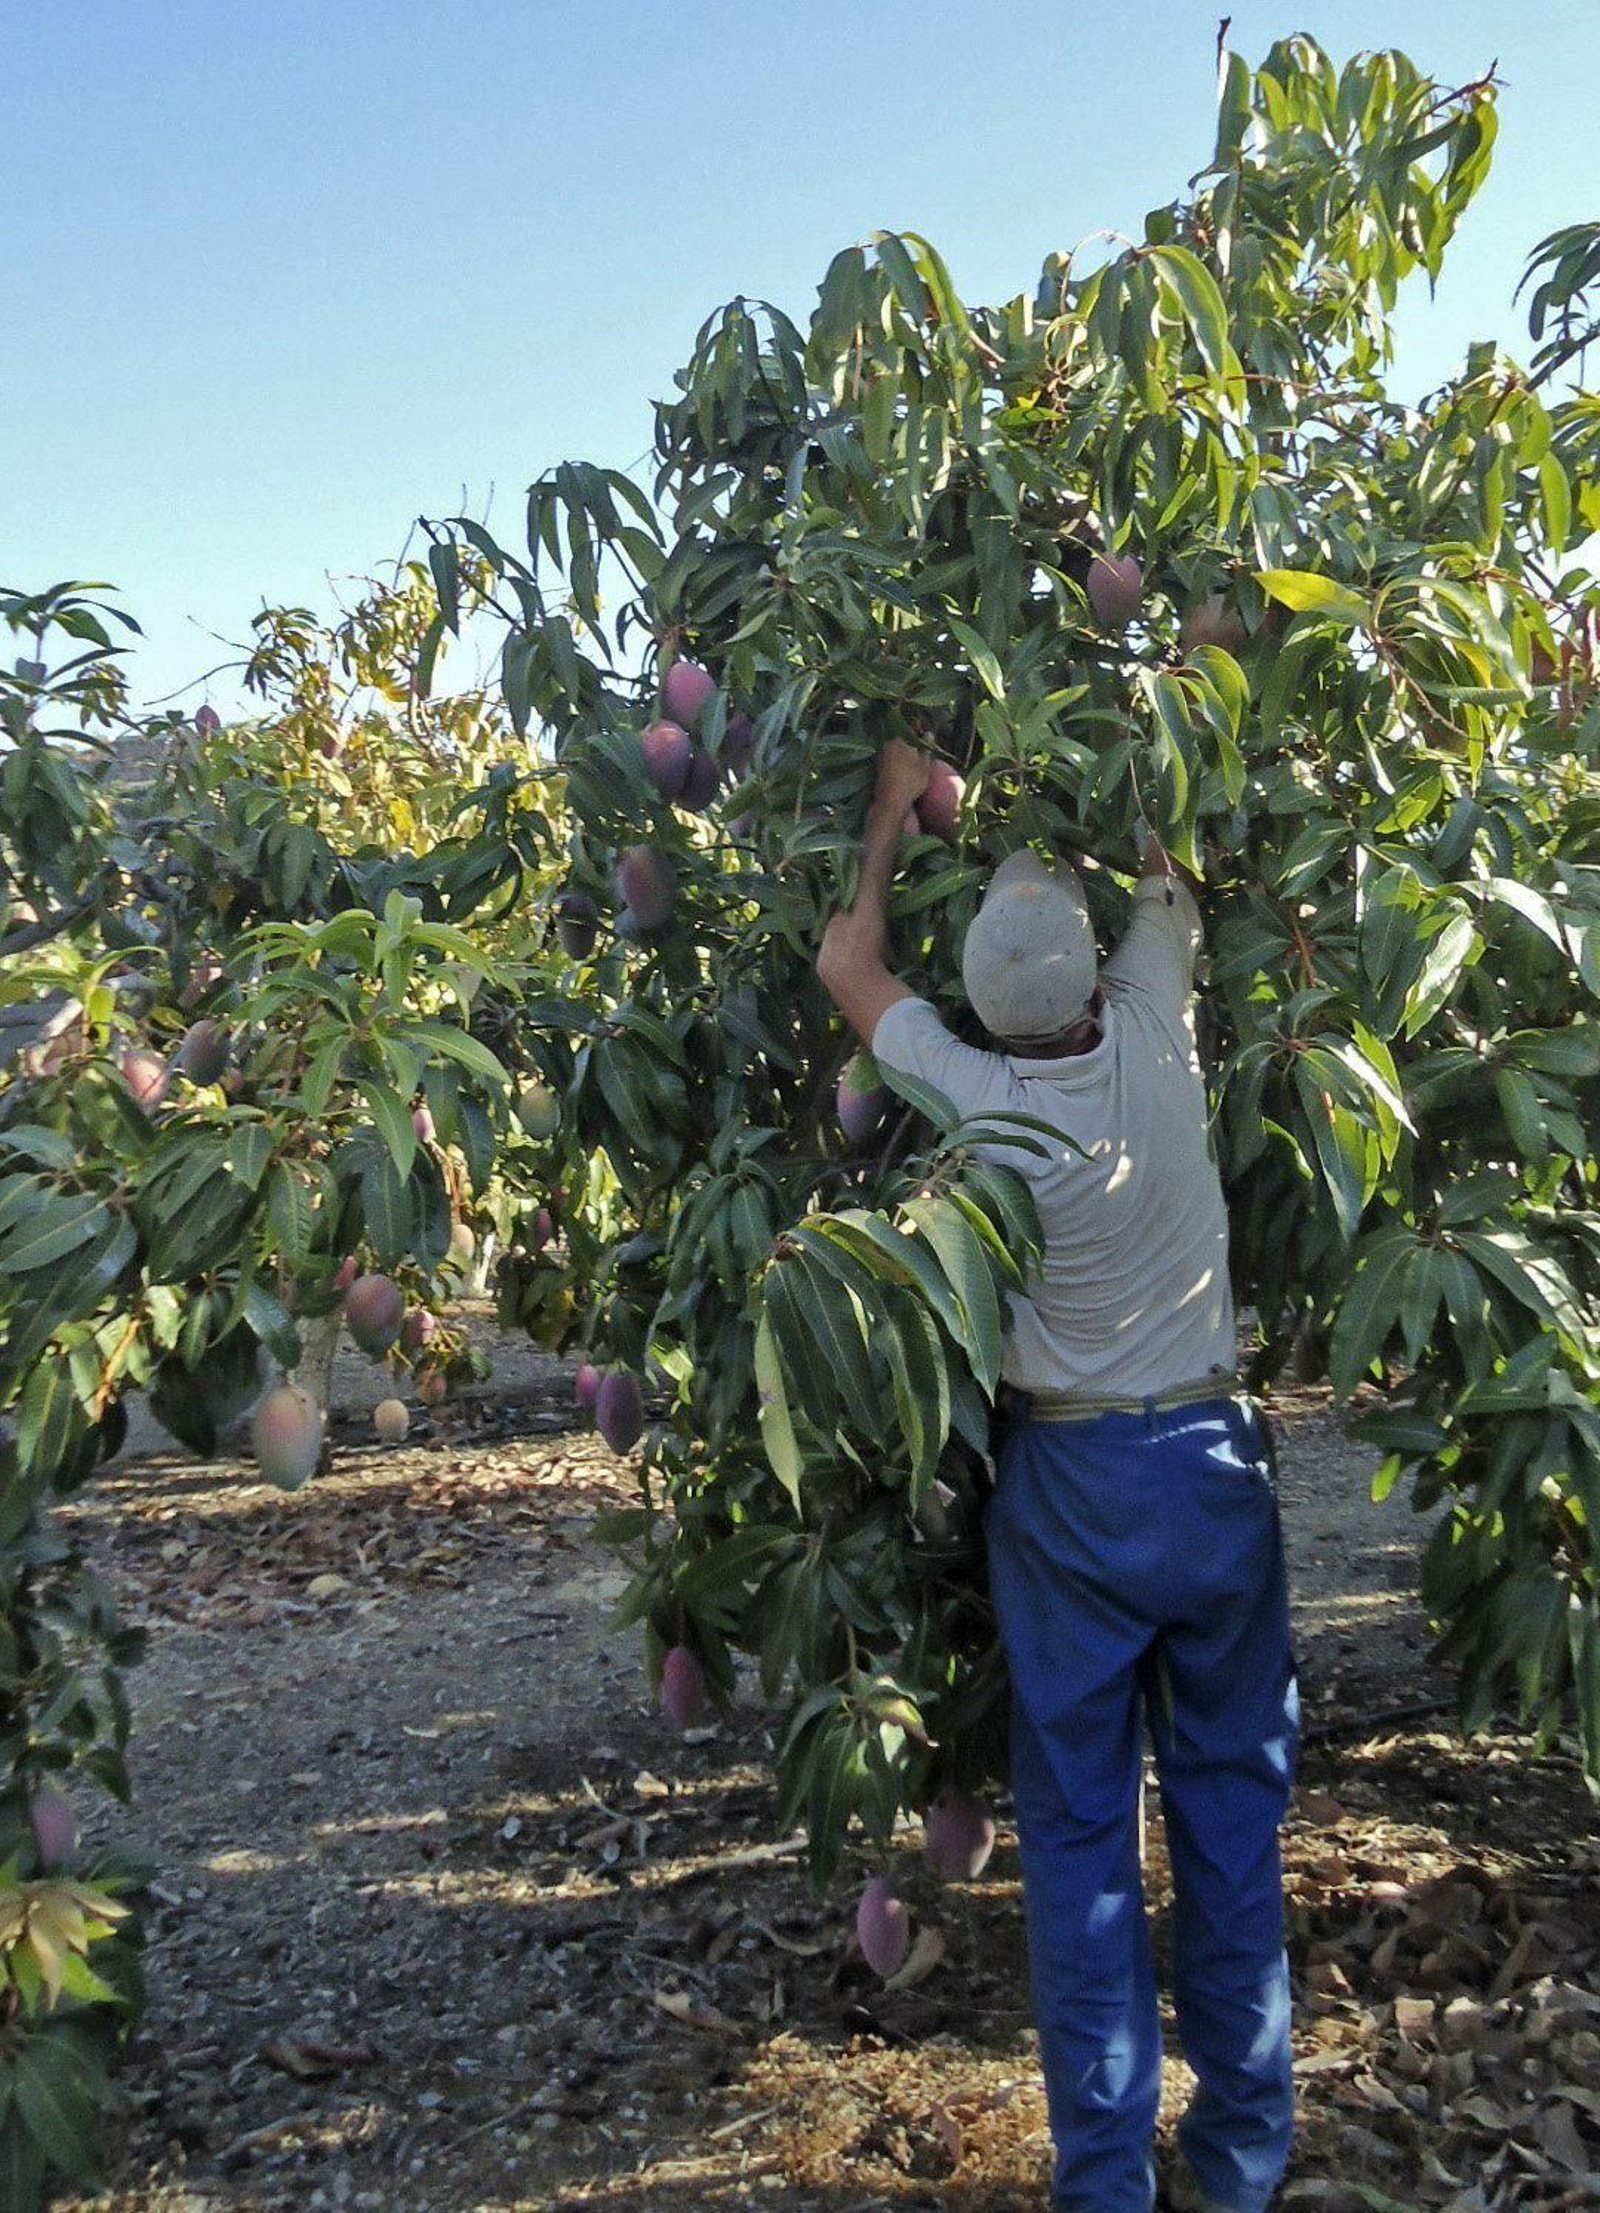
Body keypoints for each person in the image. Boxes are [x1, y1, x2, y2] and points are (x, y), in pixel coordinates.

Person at [816, 739, 1301, 2213]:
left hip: (1072, 1493)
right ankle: (1238, 2161)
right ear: (1096, 977)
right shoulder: (1159, 1022)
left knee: (1085, 1844)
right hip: (1210, 1467)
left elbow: (849, 957)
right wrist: (1117, 706)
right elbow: (1164, 825)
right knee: (1230, 1814)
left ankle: (1107, 2181)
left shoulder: (977, 1093)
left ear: (987, 1005)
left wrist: (897, 815)